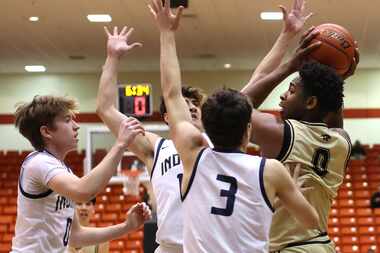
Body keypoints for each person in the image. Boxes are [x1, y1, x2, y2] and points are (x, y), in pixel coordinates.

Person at [149, 0, 320, 252]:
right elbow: (311, 221)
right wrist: (287, 193)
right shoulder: (271, 171)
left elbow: (171, 92)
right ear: (248, 129)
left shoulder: (192, 153)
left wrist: (166, 33)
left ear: (206, 122)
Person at [240, 7, 359, 253]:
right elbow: (331, 106)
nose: (283, 95)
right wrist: (335, 78)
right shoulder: (341, 141)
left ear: (311, 102)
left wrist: (289, 67)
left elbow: (235, 106)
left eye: (292, 90)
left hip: (291, 247)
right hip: (321, 244)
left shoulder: (282, 134)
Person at [96, 25, 208, 253]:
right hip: (169, 247)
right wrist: (112, 58)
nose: (192, 108)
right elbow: (105, 108)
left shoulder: (219, 144)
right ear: (168, 117)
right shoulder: (156, 148)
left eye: (195, 105)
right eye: (185, 105)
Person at [12, 95, 151, 252]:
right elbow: (84, 191)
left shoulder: (64, 171)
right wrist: (120, 144)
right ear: (46, 131)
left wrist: (127, 226)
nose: (76, 126)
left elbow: (76, 235)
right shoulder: (38, 162)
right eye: (67, 120)